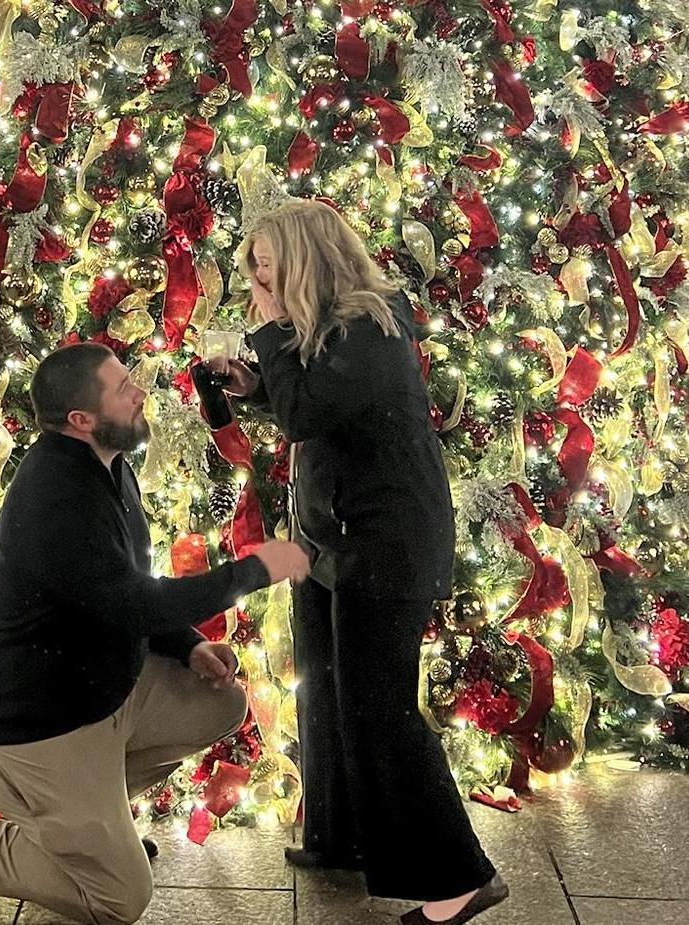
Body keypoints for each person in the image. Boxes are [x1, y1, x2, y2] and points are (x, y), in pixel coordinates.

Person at [0, 342, 310, 922]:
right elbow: (134, 601)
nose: (140, 393)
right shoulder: (57, 496)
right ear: (81, 420)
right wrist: (256, 569)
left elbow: (119, 590)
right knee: (118, 900)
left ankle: (91, 829)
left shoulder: (108, 464)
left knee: (220, 702)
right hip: (30, 725)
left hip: (93, 694)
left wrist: (187, 644)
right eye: (123, 388)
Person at [211, 199, 507, 925]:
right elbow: (314, 402)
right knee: (326, 689)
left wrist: (268, 331)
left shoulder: (372, 322)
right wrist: (255, 386)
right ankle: (339, 836)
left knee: (378, 707)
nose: (257, 283)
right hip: (330, 536)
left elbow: (307, 415)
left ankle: (462, 876)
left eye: (267, 269)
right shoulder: (327, 328)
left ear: (303, 264)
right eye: (255, 271)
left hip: (384, 539)